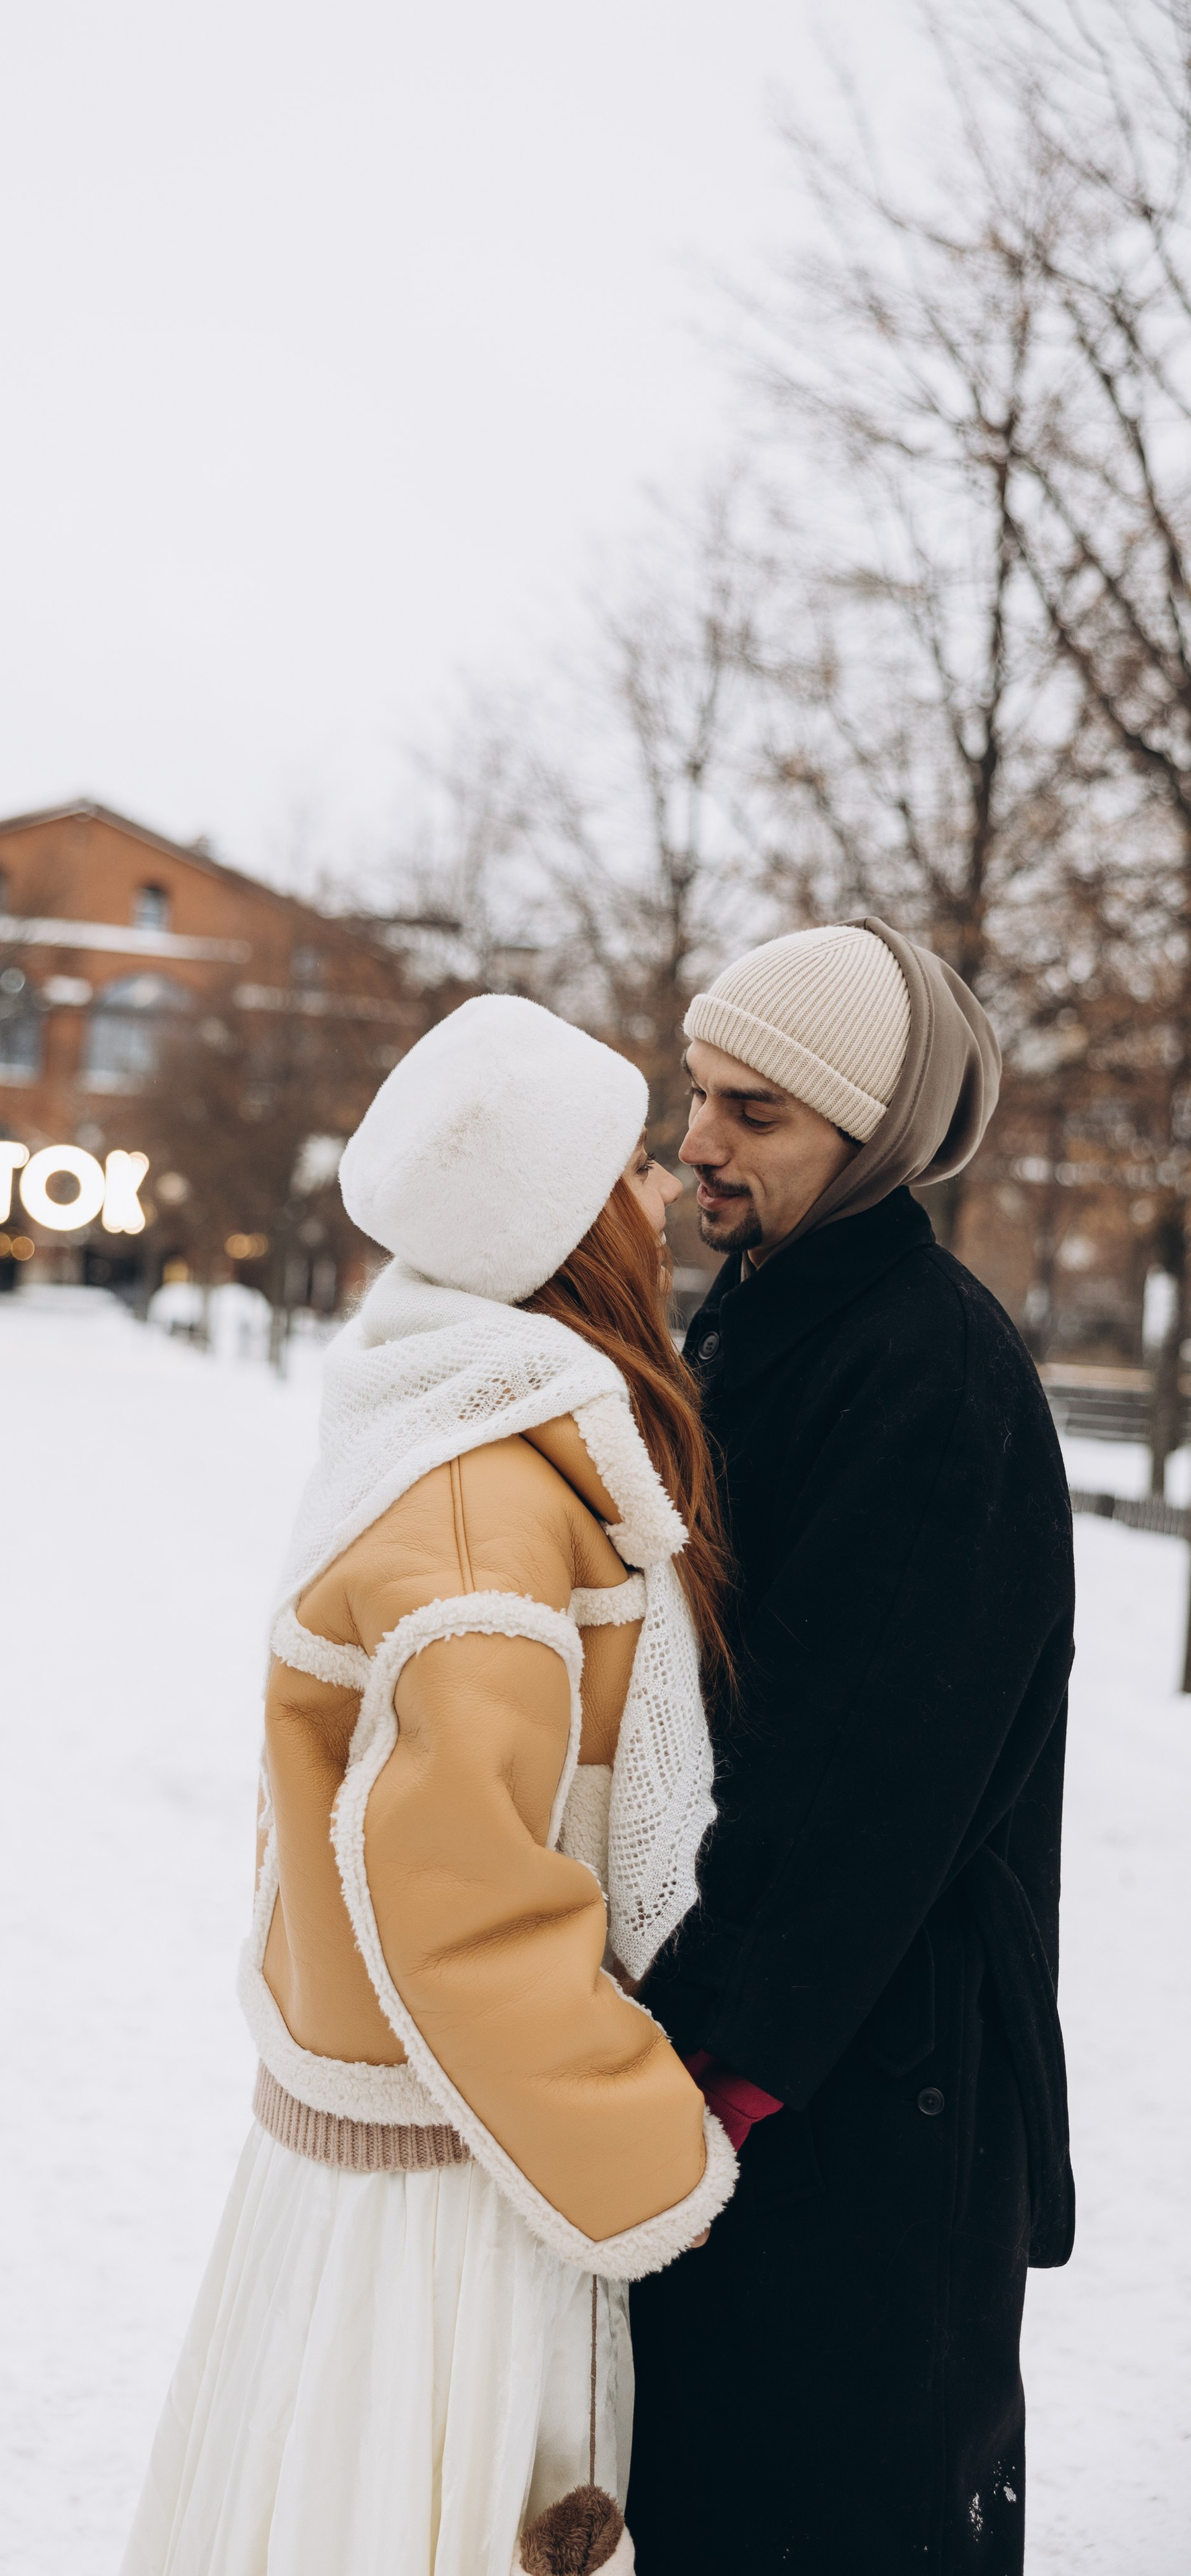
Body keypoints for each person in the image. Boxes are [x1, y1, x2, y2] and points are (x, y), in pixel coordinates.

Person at [121, 994, 738, 2576]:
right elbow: (451, 1896)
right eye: (633, 1168)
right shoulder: (488, 1502)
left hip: (392, 2156)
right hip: (454, 2191)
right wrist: (645, 2148)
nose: (666, 1191)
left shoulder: (446, 1427)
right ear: (570, 1219)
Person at [626, 921, 1076, 2576]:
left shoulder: (931, 1380)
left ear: (867, 1136)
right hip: (746, 2080)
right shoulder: (761, 1319)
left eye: (754, 1114)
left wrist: (710, 2086)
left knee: (827, 2516)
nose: (697, 1145)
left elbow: (865, 1792)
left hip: (856, 2100)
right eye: (695, 1097)